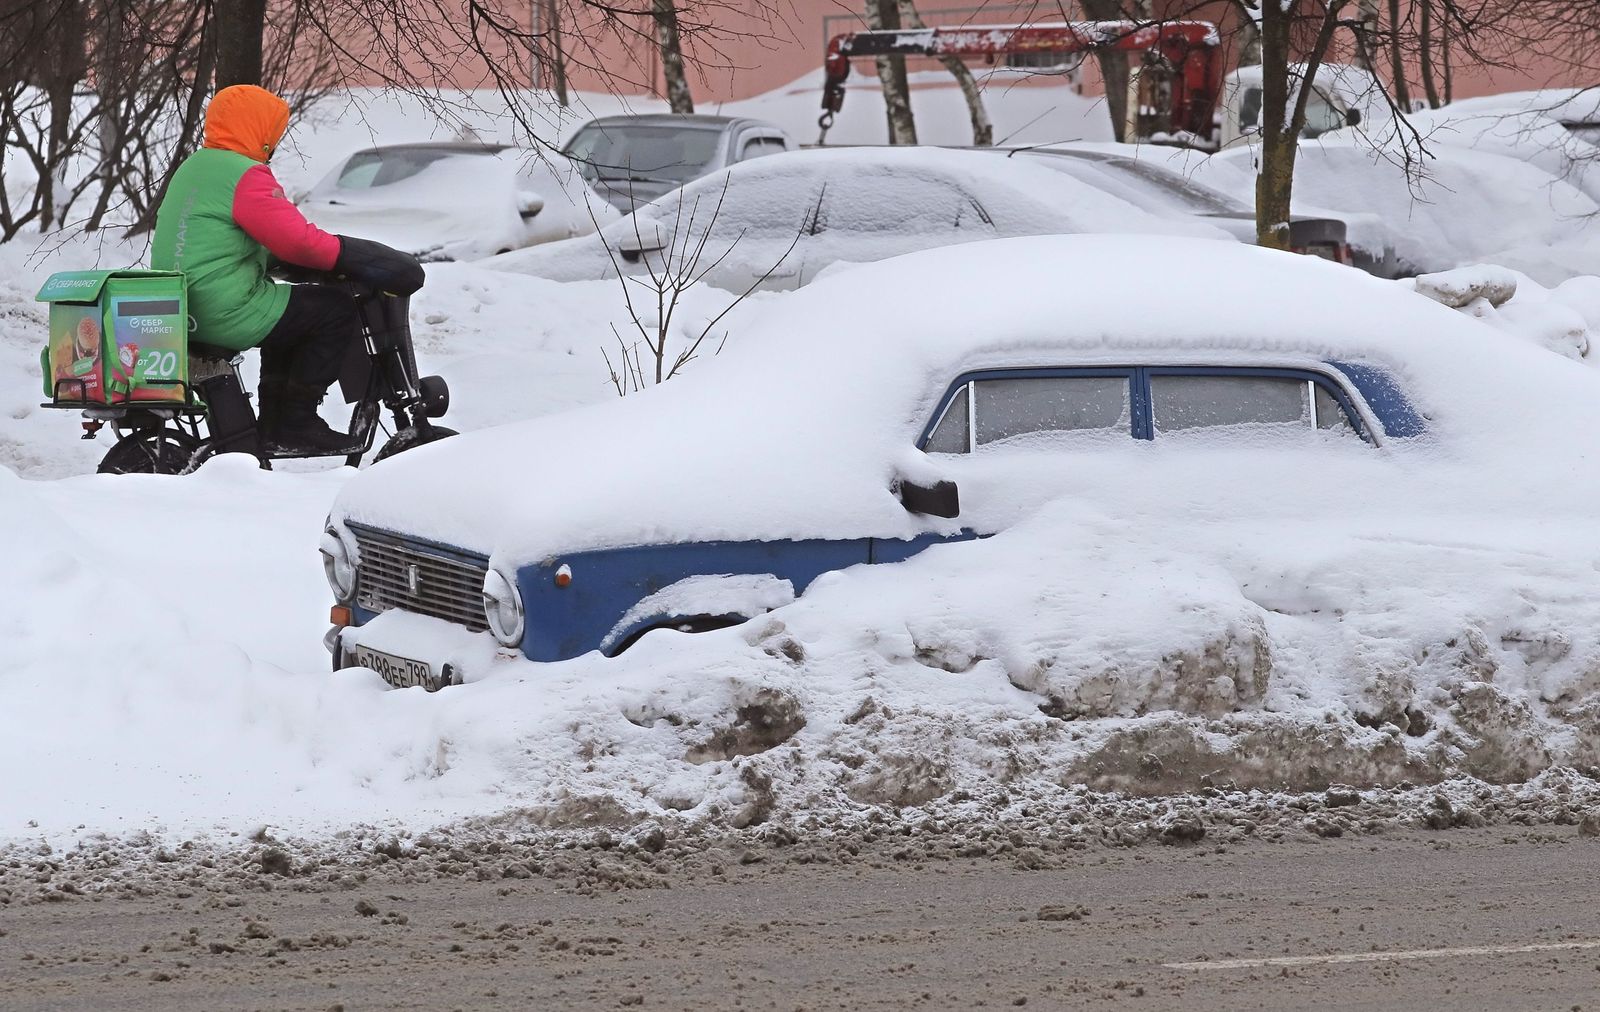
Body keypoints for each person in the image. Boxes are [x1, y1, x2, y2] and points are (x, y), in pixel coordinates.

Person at [152, 85, 418, 452]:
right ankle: (294, 423)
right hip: (222, 308)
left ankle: (276, 424)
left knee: (291, 317)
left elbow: (225, 235)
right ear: (258, 129)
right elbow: (297, 241)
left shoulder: (196, 166)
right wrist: (352, 255)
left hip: (184, 308)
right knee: (334, 310)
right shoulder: (244, 173)